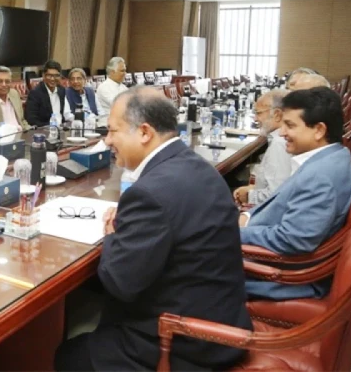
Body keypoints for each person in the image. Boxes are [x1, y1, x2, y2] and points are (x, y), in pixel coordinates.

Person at [55, 87, 251, 371]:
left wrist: (113, 234)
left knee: (68, 355)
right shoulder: (197, 165)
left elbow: (119, 282)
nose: (107, 140)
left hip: (187, 342)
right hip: (220, 316)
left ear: (144, 132)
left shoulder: (151, 192)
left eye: (112, 131)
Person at [240, 87, 351, 300]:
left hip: (281, 277)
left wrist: (234, 231)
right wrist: (248, 217)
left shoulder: (321, 176)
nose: (282, 132)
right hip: (269, 253)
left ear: (319, 130)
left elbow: (293, 240)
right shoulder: (333, 156)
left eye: (290, 125)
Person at [233, 90, 292, 206]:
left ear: (277, 114)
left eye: (259, 113)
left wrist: (249, 196)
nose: (255, 119)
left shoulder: (280, 143)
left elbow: (276, 195)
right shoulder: (278, 140)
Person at [25, 60, 66, 127]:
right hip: (45, 130)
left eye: (56, 75)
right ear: (43, 75)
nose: (53, 79)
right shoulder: (35, 93)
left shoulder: (61, 90)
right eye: (49, 75)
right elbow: (31, 120)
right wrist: (52, 126)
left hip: (61, 129)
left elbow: (61, 115)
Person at [95, 57, 129, 126]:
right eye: (122, 71)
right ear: (112, 72)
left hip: (121, 123)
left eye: (125, 71)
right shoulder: (104, 87)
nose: (125, 73)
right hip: (106, 125)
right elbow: (118, 105)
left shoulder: (124, 87)